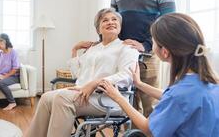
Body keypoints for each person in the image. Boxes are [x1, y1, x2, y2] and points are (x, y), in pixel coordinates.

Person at [99, 13, 219, 137]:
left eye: (153, 41)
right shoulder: (210, 83)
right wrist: (139, 84)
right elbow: (175, 98)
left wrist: (119, 98)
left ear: (165, 52)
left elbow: (149, 129)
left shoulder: (178, 95)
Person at [25, 8, 139, 137]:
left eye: (114, 19)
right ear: (98, 29)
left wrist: (96, 83)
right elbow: (78, 75)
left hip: (107, 99)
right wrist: (74, 50)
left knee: (62, 98)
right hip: (82, 93)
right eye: (105, 20)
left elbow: (127, 76)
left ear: (120, 26)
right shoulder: (93, 48)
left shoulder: (127, 47)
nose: (110, 22)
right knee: (46, 98)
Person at [110, 0, 176, 116]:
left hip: (149, 56)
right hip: (122, 54)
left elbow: (167, 24)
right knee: (126, 106)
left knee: (151, 107)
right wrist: (103, 43)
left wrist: (146, 44)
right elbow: (112, 21)